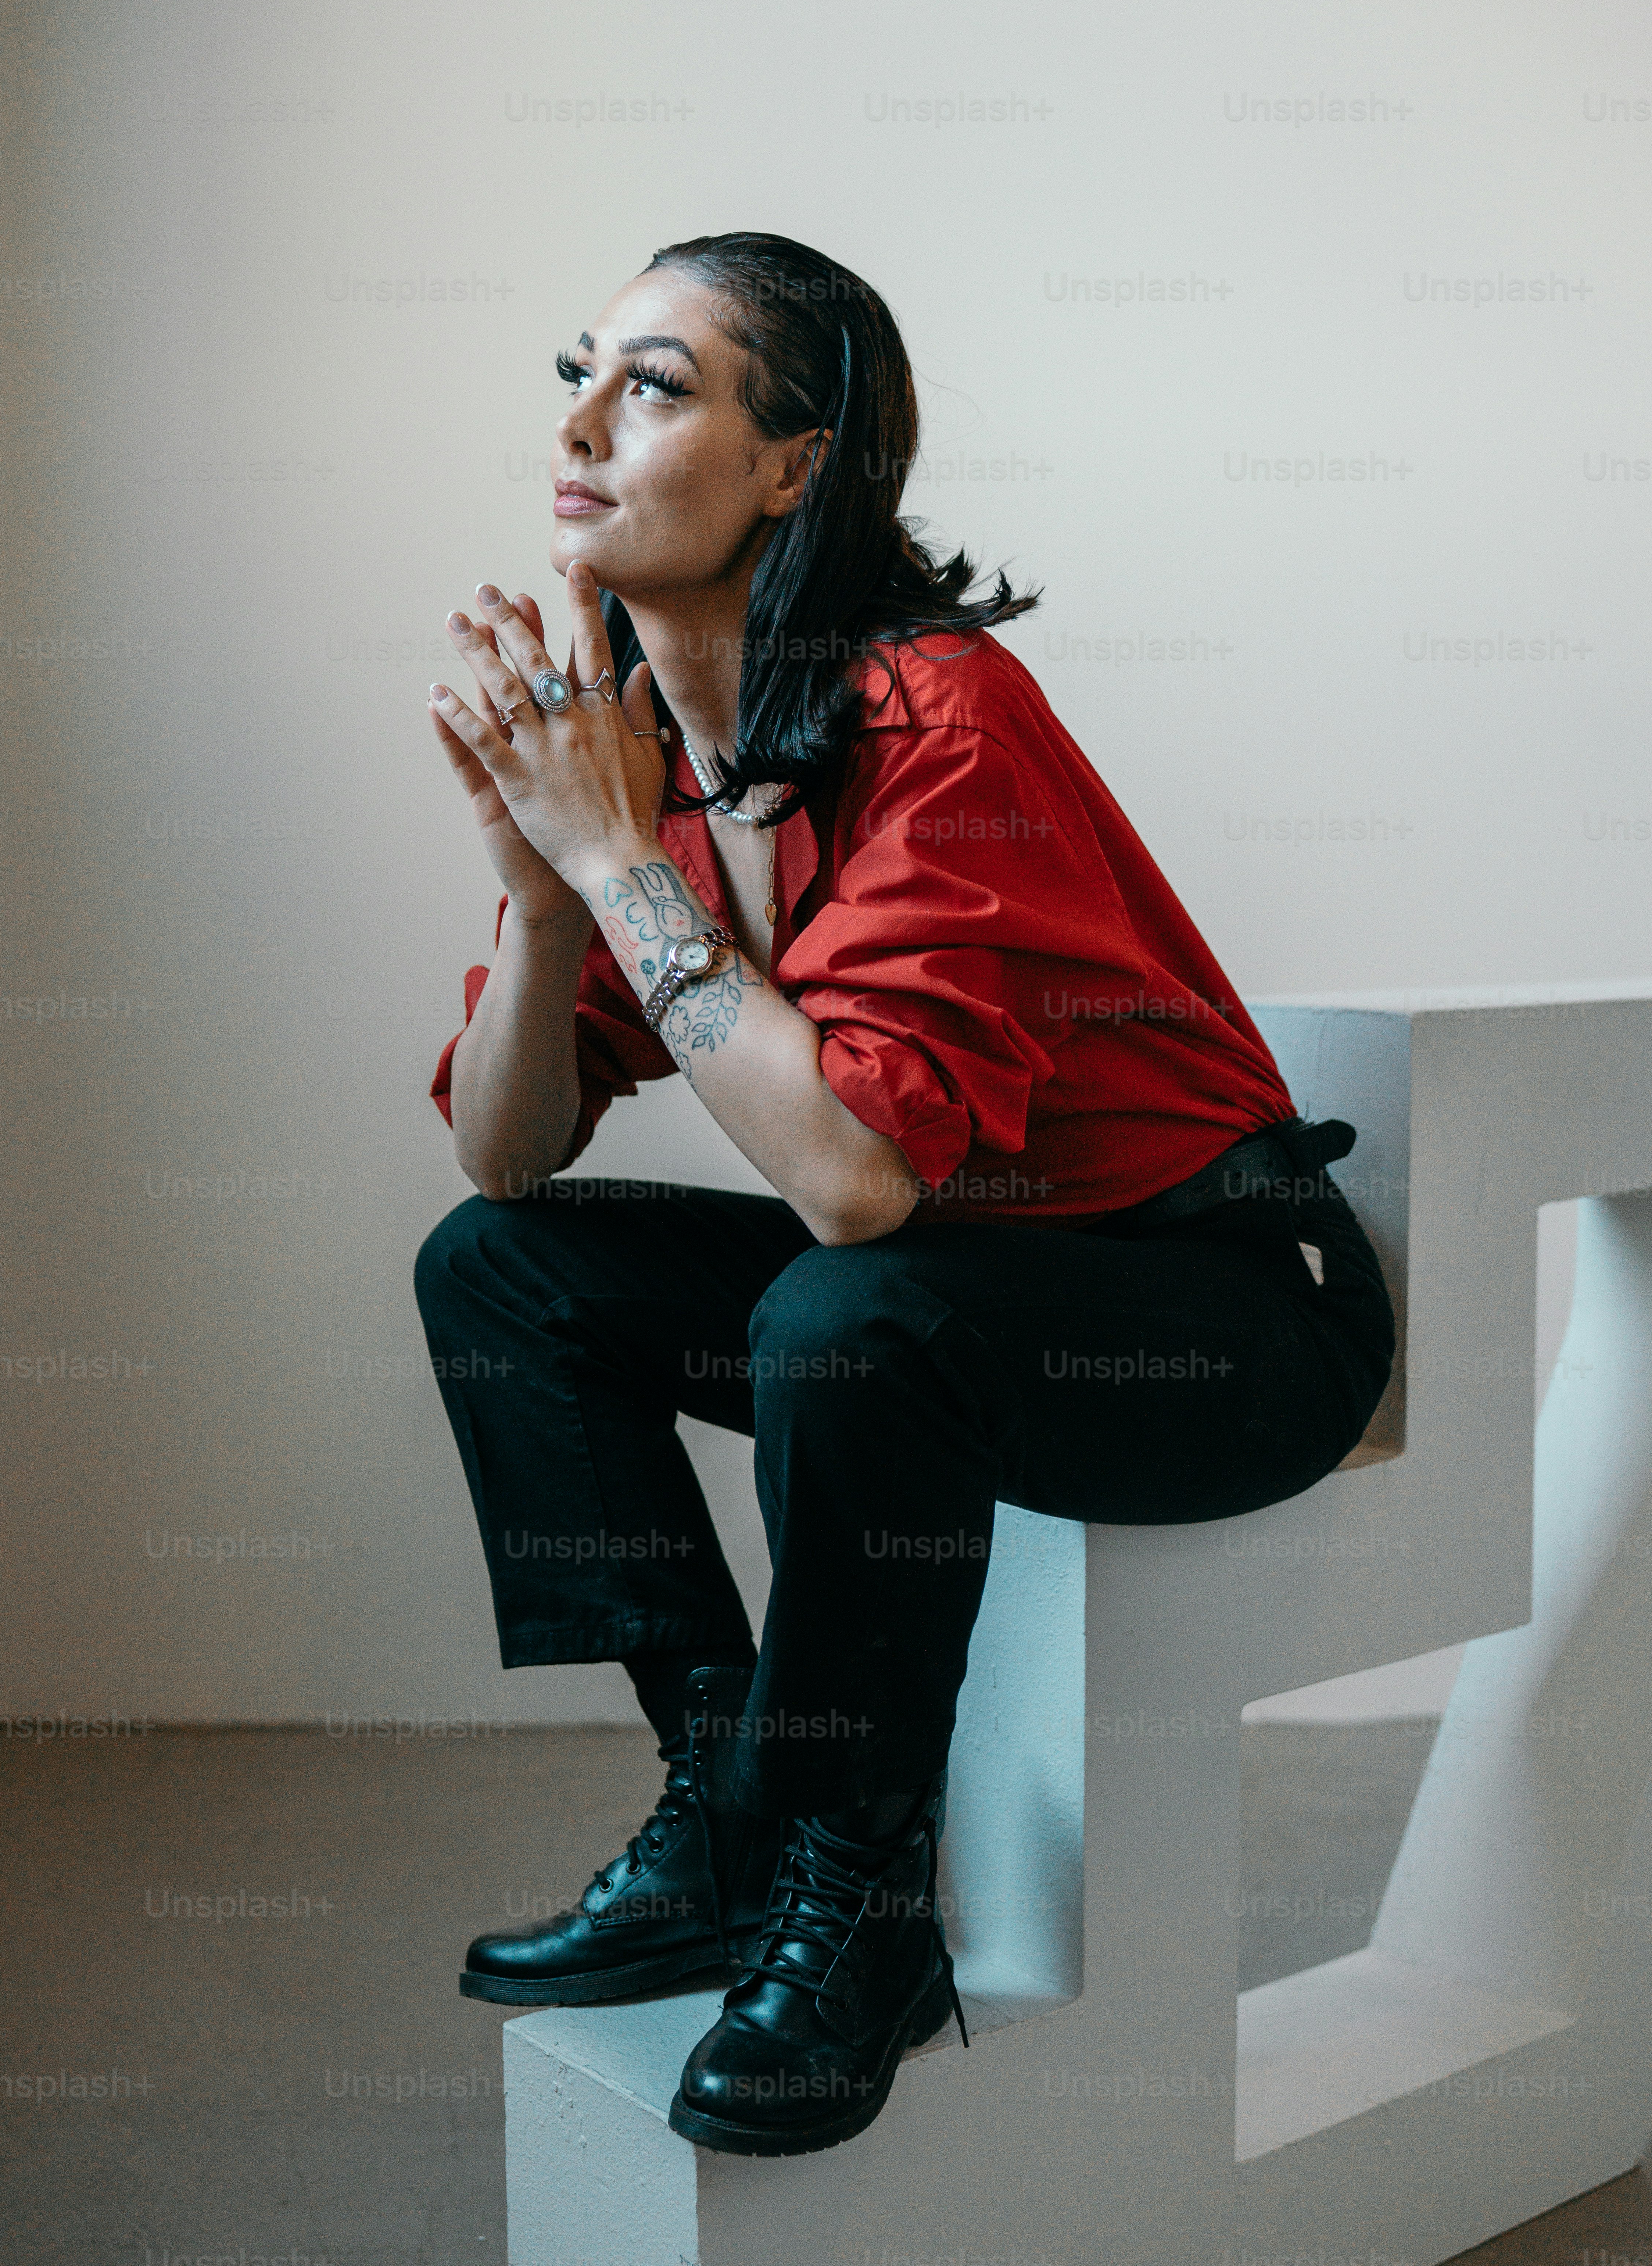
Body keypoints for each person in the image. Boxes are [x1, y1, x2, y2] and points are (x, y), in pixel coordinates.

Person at [413, 231, 1395, 2158]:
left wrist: (619, 872)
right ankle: (726, 1815)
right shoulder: (648, 775)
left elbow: (854, 1189)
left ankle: (857, 1908)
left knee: (842, 1309)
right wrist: (550, 896)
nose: (582, 421)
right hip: (958, 1309)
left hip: (1225, 1321)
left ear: (797, 461)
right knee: (503, 1272)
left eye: (659, 383)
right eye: (577, 370)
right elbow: (506, 1155)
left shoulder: (940, 713)